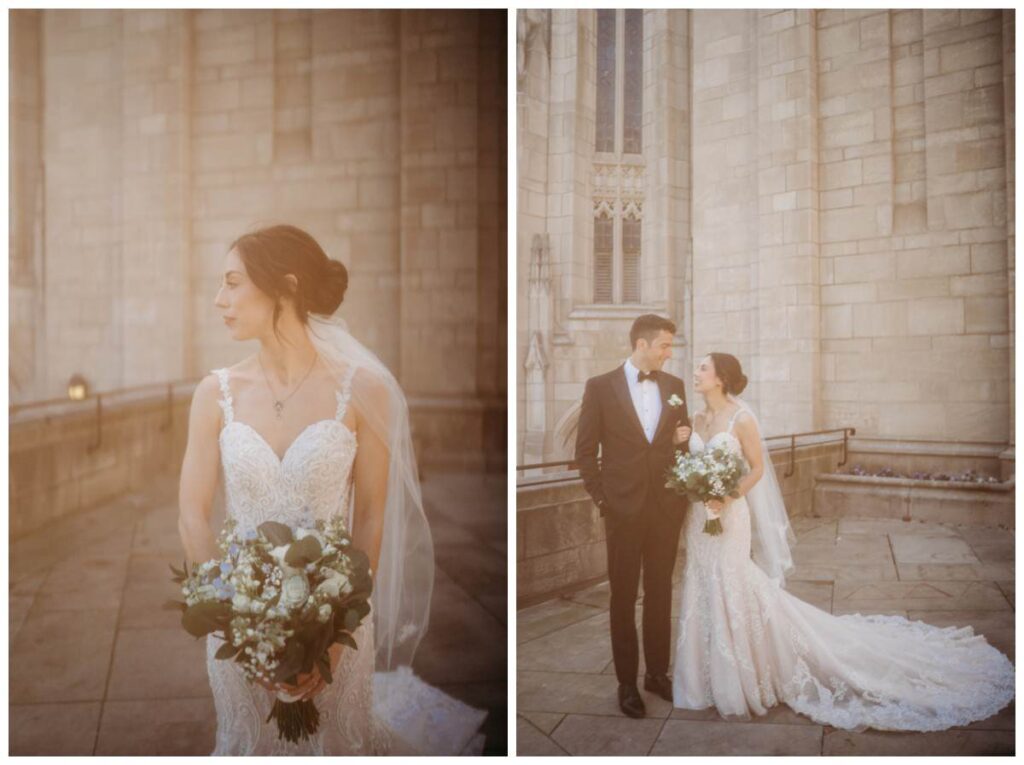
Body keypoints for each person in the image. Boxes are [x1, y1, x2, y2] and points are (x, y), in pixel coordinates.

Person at [177, 224, 485, 754]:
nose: (218, 300)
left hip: (336, 620)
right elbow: (190, 513)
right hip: (237, 629)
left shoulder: (364, 392)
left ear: (286, 287)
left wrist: (334, 640)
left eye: (232, 283)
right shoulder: (214, 393)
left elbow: (369, 516)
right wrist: (235, 626)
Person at [673, 352, 1014, 730]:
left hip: (730, 513)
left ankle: (743, 675)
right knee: (703, 580)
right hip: (699, 517)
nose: (696, 372)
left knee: (733, 579)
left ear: (721, 378)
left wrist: (729, 495)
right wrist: (682, 447)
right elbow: (687, 463)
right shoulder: (694, 419)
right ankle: (704, 676)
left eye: (703, 368)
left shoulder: (742, 418)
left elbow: (757, 468)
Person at [574, 314, 692, 718]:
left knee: (660, 591)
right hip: (621, 510)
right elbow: (585, 453)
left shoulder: (674, 387)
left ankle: (657, 673)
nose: (669, 353)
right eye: (664, 345)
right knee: (623, 596)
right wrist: (604, 501)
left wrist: (683, 441)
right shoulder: (600, 387)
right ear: (642, 344)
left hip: (665, 509)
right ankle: (627, 683)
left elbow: (680, 441)